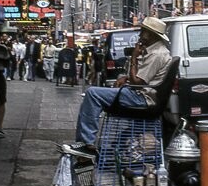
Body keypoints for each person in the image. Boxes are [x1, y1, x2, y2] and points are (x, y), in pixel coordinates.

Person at [61, 17, 172, 159]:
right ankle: (85, 141)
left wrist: (133, 58)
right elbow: (139, 78)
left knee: (92, 93)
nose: (140, 35)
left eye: (143, 31)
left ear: (150, 34)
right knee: (92, 95)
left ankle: (86, 143)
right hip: (140, 94)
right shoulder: (154, 51)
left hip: (142, 99)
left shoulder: (157, 53)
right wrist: (126, 77)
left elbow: (138, 81)